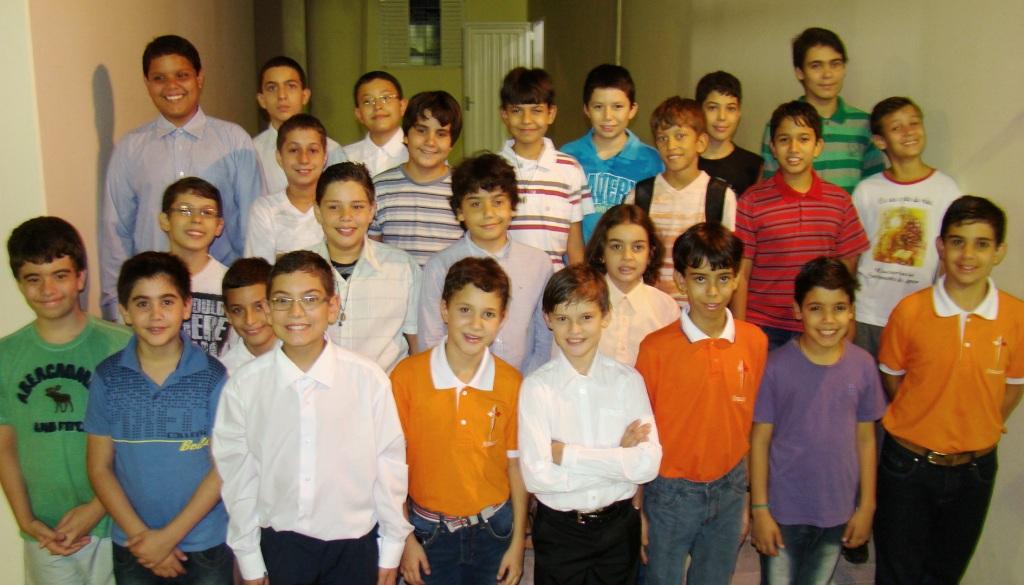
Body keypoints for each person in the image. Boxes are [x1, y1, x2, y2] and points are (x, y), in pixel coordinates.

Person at [212, 250, 412, 585]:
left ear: (332, 307)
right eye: (282, 300)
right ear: (268, 309)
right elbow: (238, 476)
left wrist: (392, 546)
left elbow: (389, 466)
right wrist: (249, 557)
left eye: (309, 299)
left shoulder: (368, 379)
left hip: (354, 545)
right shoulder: (245, 386)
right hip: (280, 545)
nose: (296, 312)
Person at [874, 196, 1022, 585]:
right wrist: (926, 416)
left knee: (945, 573)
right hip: (908, 466)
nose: (967, 255)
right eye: (957, 242)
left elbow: (1011, 387)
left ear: (999, 252)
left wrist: (979, 424)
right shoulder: (910, 311)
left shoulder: (1015, 317)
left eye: (981, 244)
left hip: (975, 471)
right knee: (897, 572)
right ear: (940, 246)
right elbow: (894, 380)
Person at [85, 252, 231, 584]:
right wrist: (143, 538)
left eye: (167, 301)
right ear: (124, 311)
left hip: (204, 543)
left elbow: (223, 467)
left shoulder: (213, 377)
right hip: (133, 544)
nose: (156, 315)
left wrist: (167, 539)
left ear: (186, 306)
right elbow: (99, 467)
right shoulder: (108, 378)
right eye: (142, 304)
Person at [635, 222, 768, 585]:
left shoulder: (754, 342)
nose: (712, 291)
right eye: (699, 279)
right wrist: (639, 508)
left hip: (729, 485)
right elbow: (641, 431)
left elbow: (749, 424)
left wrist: (745, 498)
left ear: (737, 278)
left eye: (723, 278)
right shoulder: (656, 348)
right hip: (670, 491)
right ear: (680, 280)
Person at [0, 217, 130, 585]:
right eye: (33, 278)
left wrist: (97, 508)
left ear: (80, 278)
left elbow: (137, 444)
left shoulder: (122, 347)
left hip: (117, 523)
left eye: (59, 275)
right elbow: (5, 448)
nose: (47, 289)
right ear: (19, 283)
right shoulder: (7, 356)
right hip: (45, 532)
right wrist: (26, 520)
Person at [100, 34, 263, 321]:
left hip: (220, 302)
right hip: (152, 306)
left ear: (199, 78)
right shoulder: (130, 148)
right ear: (147, 83)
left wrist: (249, 297)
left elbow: (251, 227)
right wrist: (116, 308)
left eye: (182, 75)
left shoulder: (233, 141)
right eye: (159, 78)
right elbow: (116, 233)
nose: (172, 86)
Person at [519, 264, 661, 584]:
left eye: (586, 317)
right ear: (547, 319)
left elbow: (647, 465)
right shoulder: (536, 388)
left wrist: (566, 455)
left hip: (618, 527)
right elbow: (537, 476)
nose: (575, 330)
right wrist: (617, 456)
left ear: (605, 316)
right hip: (560, 531)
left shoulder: (628, 381)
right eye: (562, 318)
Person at [750, 257, 886, 585]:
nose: (828, 320)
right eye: (816, 308)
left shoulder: (863, 365)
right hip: (783, 510)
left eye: (839, 308)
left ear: (852, 311)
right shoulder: (776, 367)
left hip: (837, 510)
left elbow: (866, 440)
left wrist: (867, 505)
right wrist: (760, 508)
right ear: (798, 310)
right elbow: (759, 441)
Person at [392, 257, 526, 585]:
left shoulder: (510, 382)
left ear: (502, 319)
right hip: (428, 533)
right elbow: (391, 466)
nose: (475, 324)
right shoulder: (407, 376)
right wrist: (405, 538)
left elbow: (515, 466)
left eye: (488, 314)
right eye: (465, 310)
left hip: (495, 530)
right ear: (444, 310)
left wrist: (518, 543)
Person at [733, 100, 869, 349]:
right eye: (784, 140)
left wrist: (848, 319)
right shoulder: (751, 201)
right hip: (764, 326)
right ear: (773, 148)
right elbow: (741, 275)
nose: (793, 148)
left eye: (803, 139)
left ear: (818, 146)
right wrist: (740, 329)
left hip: (820, 325)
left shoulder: (839, 201)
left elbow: (847, 271)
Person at [417, 153, 552, 374]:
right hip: (458, 384)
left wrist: (528, 383)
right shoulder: (440, 265)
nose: (488, 213)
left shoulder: (539, 264)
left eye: (498, 202)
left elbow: (545, 338)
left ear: (513, 206)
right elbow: (430, 338)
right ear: (460, 212)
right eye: (475, 204)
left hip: (523, 382)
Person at [852, 96, 959, 356]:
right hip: (869, 313)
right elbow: (852, 253)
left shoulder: (946, 189)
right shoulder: (867, 190)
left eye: (914, 123)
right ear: (880, 141)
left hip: (919, 313)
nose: (909, 132)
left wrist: (941, 308)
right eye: (896, 127)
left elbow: (949, 257)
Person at [624, 96, 738, 306]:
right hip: (651, 309)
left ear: (701, 142)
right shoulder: (640, 195)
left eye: (680, 136)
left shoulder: (720, 196)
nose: (671, 145)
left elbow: (727, 262)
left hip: (701, 309)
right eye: (662, 138)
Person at [309, 162, 420, 372]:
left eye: (357, 206)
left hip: (386, 388)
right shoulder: (297, 270)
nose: (346, 216)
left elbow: (417, 344)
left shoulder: (402, 268)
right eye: (333, 207)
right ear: (317, 212)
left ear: (372, 210)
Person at [759, 27, 884, 194]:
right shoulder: (780, 126)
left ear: (844, 68)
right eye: (816, 66)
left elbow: (875, 188)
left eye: (835, 64)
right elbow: (769, 188)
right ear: (800, 72)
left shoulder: (864, 125)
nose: (827, 74)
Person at [499, 67, 594, 269]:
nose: (526, 120)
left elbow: (574, 242)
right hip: (504, 281)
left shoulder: (570, 169)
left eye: (536, 111)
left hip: (554, 282)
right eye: (516, 111)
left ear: (551, 114)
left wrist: (579, 280)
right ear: (504, 114)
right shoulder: (493, 168)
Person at [561, 64, 663, 242]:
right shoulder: (568, 157)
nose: (608, 116)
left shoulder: (652, 161)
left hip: (628, 257)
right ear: (586, 109)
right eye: (598, 107)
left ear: (632, 109)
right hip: (578, 258)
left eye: (617, 106)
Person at [371, 91, 464, 266]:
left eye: (441, 134)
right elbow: (372, 253)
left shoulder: (464, 188)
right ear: (406, 136)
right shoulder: (379, 188)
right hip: (396, 283)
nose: (430, 141)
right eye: (421, 130)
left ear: (451, 144)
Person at [583, 204, 679, 366]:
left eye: (637, 247)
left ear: (650, 253)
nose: (627, 256)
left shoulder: (666, 308)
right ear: (601, 252)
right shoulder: (580, 302)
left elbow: (671, 368)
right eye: (616, 246)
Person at [252, 56, 346, 195]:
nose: (282, 95)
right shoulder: (253, 152)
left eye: (291, 86)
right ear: (261, 99)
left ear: (305, 96)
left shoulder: (331, 150)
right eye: (272, 88)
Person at [246, 114, 334, 263]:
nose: (304, 159)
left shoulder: (338, 208)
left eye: (312, 150)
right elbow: (259, 271)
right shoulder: (265, 210)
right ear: (279, 157)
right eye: (294, 150)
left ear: (325, 157)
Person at [158, 177, 229, 356]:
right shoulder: (145, 279)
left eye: (207, 212)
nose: (196, 219)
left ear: (219, 226)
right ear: (165, 220)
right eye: (185, 210)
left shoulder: (229, 282)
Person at [696, 70, 763, 198]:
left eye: (731, 108)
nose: (722, 117)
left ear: (739, 113)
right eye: (713, 108)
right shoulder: (687, 161)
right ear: (699, 110)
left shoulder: (753, 165)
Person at [343, 71, 409, 177]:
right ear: (358, 114)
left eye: (385, 98)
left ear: (402, 106)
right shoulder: (344, 158)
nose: (377, 106)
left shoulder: (420, 154)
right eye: (367, 101)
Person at [219, 257, 278, 374]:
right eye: (237, 310)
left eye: (259, 307)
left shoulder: (302, 356)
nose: (249, 320)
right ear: (228, 314)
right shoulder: (225, 373)